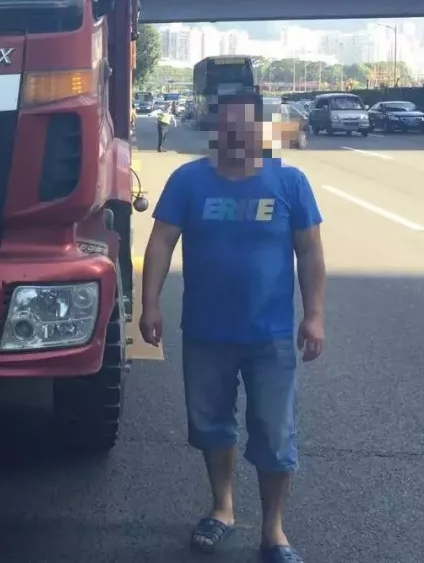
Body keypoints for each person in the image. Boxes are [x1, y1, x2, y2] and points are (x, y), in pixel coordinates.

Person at [139, 94, 327, 563]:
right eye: (228, 127)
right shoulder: (188, 180)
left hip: (271, 335)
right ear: (216, 132)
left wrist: (314, 314)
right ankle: (222, 508)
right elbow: (161, 241)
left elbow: (309, 251)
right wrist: (150, 304)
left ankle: (273, 531)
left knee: (276, 434)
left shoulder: (289, 181)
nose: (237, 136)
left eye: (246, 127)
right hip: (206, 331)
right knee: (211, 426)